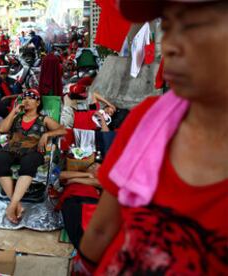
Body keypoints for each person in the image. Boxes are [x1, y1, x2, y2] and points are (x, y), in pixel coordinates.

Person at [77, 1, 228, 275]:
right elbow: (101, 230)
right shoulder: (147, 120)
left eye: (192, 26)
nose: (169, 45)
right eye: (167, 27)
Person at [0, 89, 66, 223]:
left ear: (38, 102)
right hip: (12, 148)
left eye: (30, 98)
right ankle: (15, 204)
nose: (26, 100)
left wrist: (46, 134)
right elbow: (2, 129)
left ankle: (12, 205)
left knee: (28, 163)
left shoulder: (44, 119)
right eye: (24, 98)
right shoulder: (16, 117)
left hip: (33, 150)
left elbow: (63, 130)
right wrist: (13, 112)